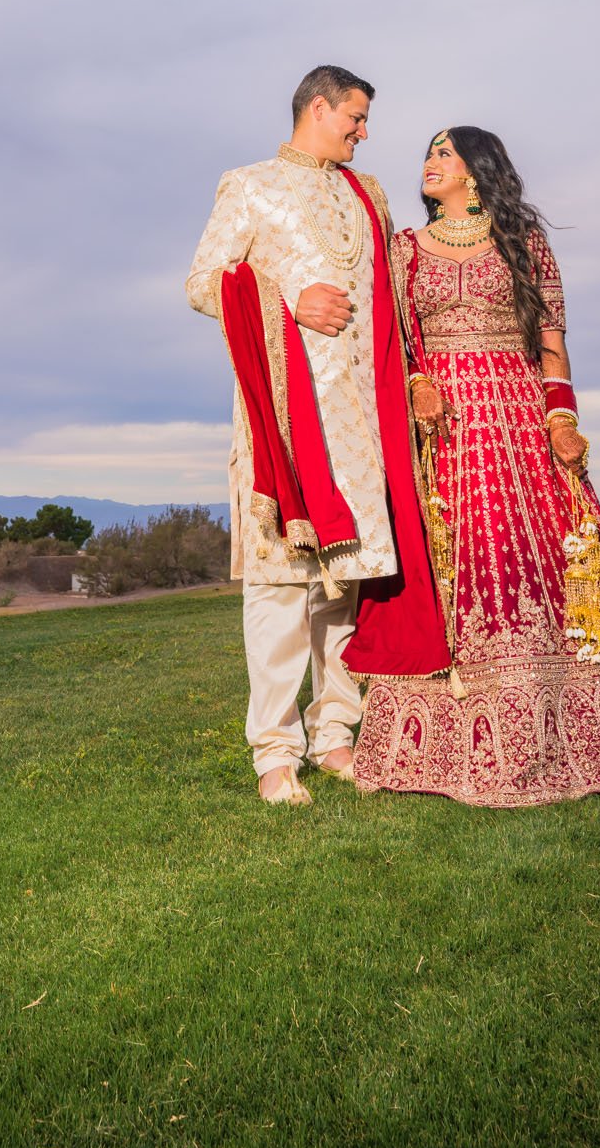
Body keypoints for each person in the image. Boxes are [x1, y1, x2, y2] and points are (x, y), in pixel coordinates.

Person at [344, 126, 600, 806]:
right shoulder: (400, 250)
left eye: (443, 153)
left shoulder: (524, 244)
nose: (429, 164)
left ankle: (580, 724)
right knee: (464, 559)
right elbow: (394, 343)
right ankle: (443, 741)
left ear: (476, 168)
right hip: (447, 433)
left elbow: (550, 342)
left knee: (548, 559)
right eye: (428, 154)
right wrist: (417, 386)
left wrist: (562, 420)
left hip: (520, 419)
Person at [186, 68, 448, 805]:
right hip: (287, 417)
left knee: (349, 588)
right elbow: (204, 281)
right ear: (318, 107)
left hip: (365, 421)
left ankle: (335, 732)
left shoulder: (369, 196)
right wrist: (289, 300)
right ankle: (274, 752)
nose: (364, 132)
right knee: (280, 588)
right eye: (356, 118)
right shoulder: (249, 184)